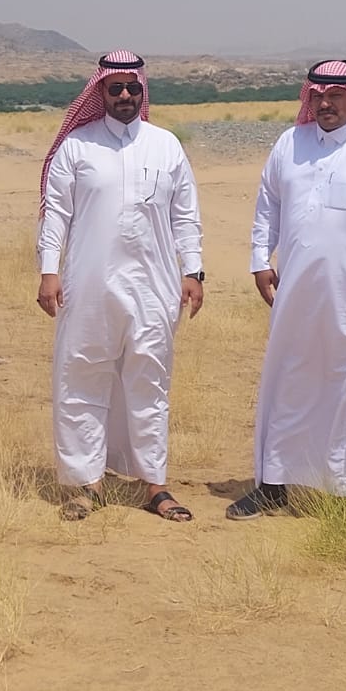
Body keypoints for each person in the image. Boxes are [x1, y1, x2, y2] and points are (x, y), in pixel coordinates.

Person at [230, 59, 346, 519]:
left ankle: (344, 493)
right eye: (317, 96)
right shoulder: (290, 144)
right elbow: (267, 205)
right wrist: (260, 260)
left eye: (335, 95)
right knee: (288, 381)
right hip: (295, 293)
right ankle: (274, 485)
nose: (324, 104)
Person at [36, 50, 204, 522]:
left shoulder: (166, 145)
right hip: (88, 284)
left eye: (133, 87)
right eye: (116, 88)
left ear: (142, 90)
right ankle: (86, 484)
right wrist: (49, 270)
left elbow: (186, 215)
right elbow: (56, 215)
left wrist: (194, 270)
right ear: (101, 92)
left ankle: (155, 485)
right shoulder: (77, 146)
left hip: (155, 285)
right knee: (82, 379)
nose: (125, 94)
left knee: (150, 382)